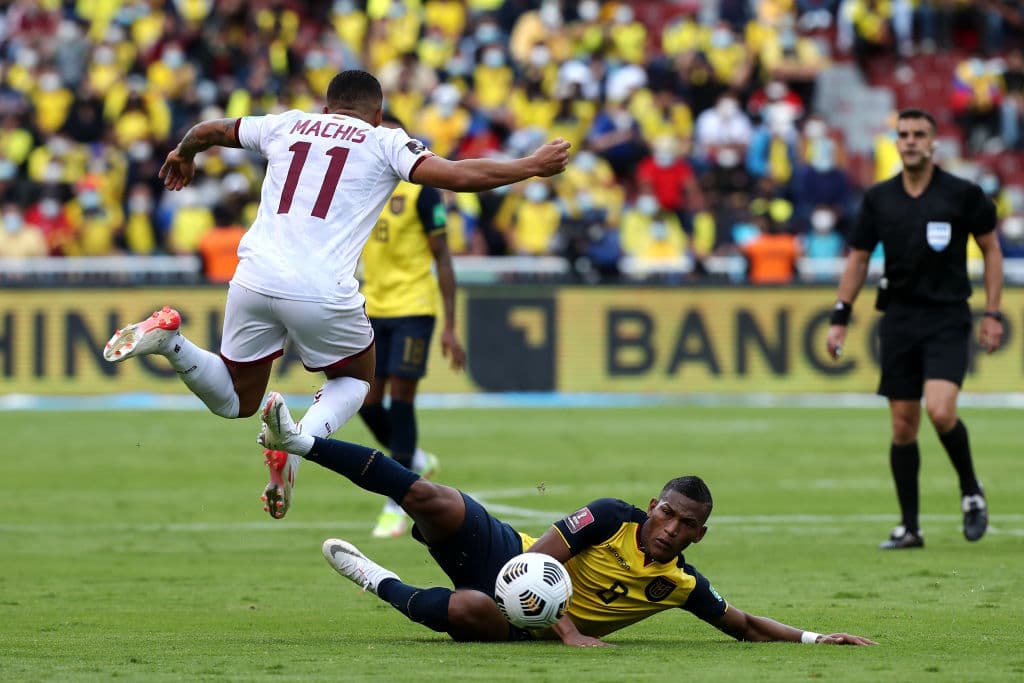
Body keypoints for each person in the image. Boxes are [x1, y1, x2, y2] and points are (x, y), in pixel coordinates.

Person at [102, 70, 570, 520]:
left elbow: (209, 130)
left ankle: (171, 341)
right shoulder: (385, 140)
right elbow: (458, 176)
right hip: (320, 289)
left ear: (327, 108)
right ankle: (297, 443)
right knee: (357, 383)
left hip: (253, 277)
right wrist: (531, 165)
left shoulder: (286, 124)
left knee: (235, 402)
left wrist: (185, 152)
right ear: (378, 112)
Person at [257, 391, 878, 647]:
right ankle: (301, 443)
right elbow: (545, 556)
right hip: (512, 558)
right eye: (665, 512)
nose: (667, 526)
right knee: (434, 498)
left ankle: (375, 579)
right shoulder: (611, 517)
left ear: (696, 533)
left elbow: (739, 623)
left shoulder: (678, 586)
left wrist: (813, 639)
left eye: (683, 524)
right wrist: (569, 630)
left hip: (512, 620)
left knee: (469, 612)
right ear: (654, 505)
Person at [826, 108, 1004, 550]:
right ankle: (910, 527)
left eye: (918, 134)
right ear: (896, 141)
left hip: (947, 316)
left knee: (940, 411)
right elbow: (860, 257)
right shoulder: (879, 198)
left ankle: (970, 490)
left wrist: (993, 313)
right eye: (902, 134)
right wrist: (840, 316)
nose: (909, 140)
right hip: (900, 319)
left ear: (934, 142)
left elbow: (992, 250)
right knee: (903, 426)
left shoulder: (962, 194)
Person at [358, 113, 466, 539]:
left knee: (401, 397)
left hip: (414, 307)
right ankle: (415, 458)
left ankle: (398, 501)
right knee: (365, 400)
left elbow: (442, 257)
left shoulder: (420, 187)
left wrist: (450, 326)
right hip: (372, 306)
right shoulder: (361, 185)